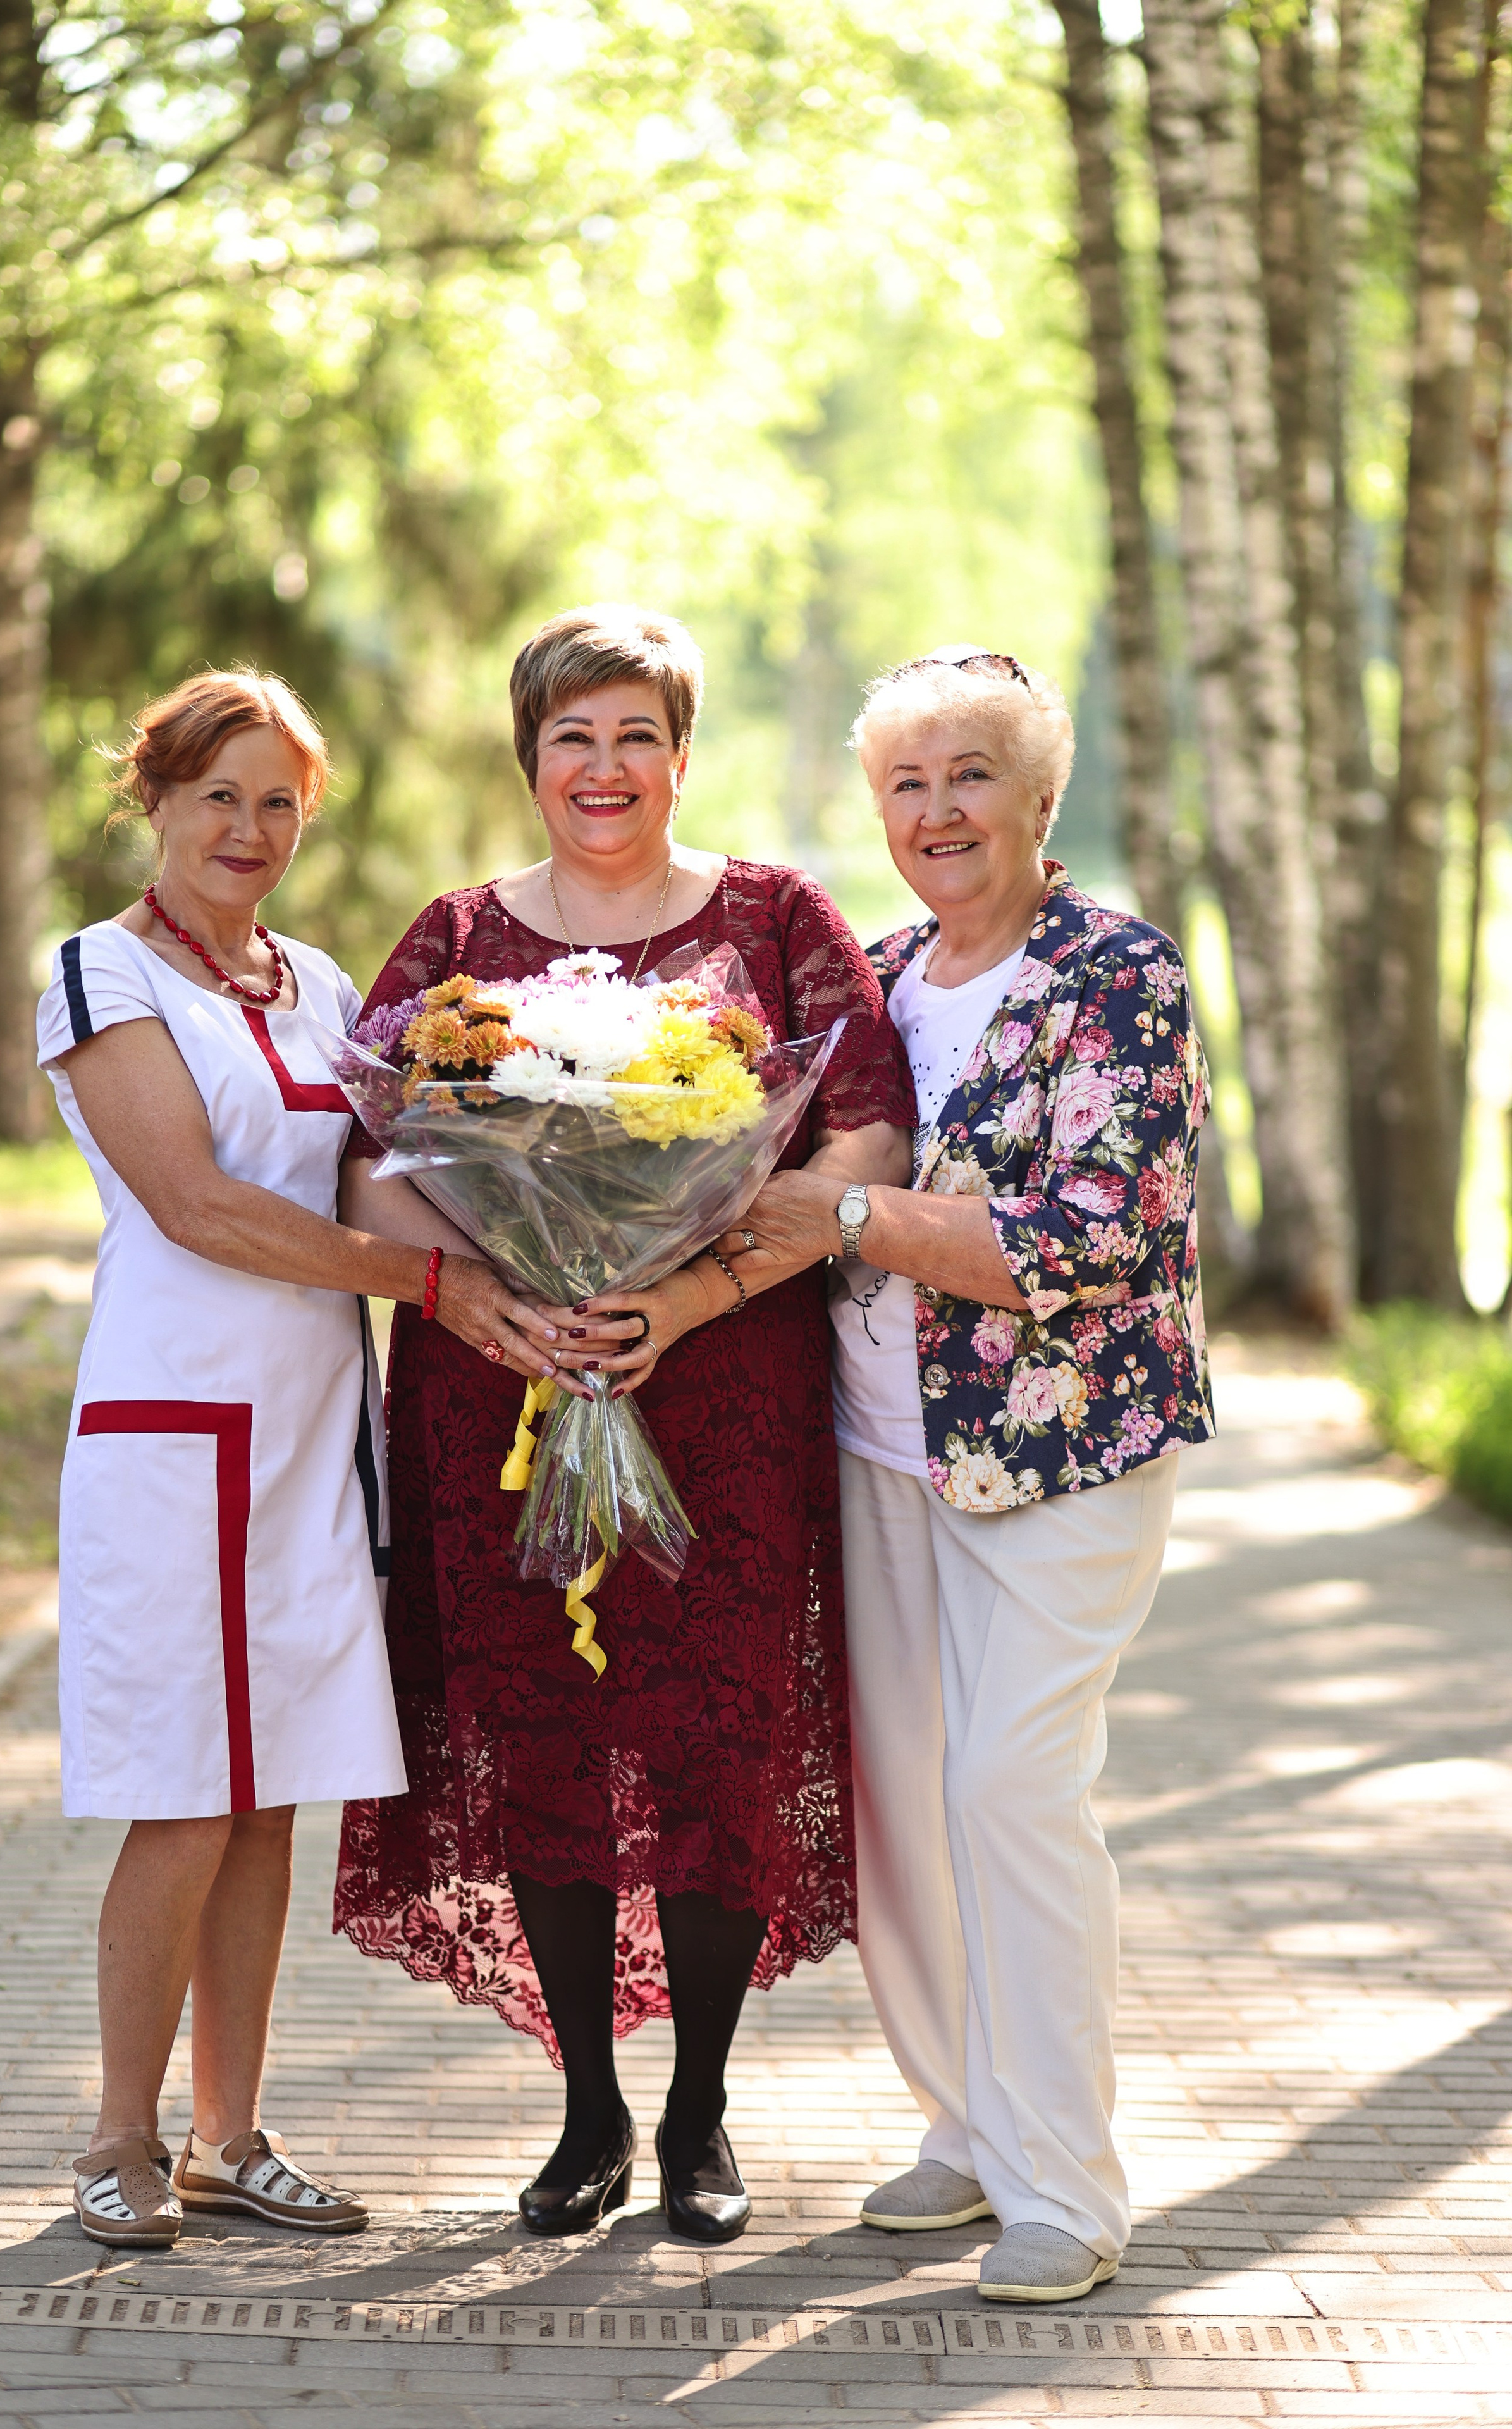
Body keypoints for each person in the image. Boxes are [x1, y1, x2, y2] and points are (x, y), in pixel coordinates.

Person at [335, 603, 913, 2242]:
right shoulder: (455, 936)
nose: (606, 768)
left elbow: (862, 1133)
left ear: (680, 752)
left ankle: (699, 2114)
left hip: (722, 1385)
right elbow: (369, 1156)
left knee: (720, 1733)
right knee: (547, 1733)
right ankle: (587, 2112)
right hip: (498, 1384)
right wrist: (502, 1287)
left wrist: (689, 1289)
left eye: (636, 735)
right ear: (530, 757)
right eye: (574, 737)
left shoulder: (774, 917)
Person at [735, 647, 1214, 2302]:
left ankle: (1065, 2183)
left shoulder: (1117, 975)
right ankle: (968, 2121)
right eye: (907, 784)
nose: (938, 811)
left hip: (1061, 1448)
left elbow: (1098, 1237)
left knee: (1013, 1785)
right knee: (908, 1813)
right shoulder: (866, 979)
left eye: (970, 776)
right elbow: (755, 1174)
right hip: (876, 1451)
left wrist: (853, 1219)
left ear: (1036, 796)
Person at [39, 670, 460, 2249]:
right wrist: (426, 1287)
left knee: (271, 1795)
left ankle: (228, 2136)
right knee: (185, 1798)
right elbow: (196, 1204)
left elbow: (381, 1179)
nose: (250, 827)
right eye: (219, 793)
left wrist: (532, 1251)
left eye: (279, 799)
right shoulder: (98, 976)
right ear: (152, 798)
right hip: (171, 1435)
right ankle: (116, 2136)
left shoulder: (323, 983)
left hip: (308, 1440)